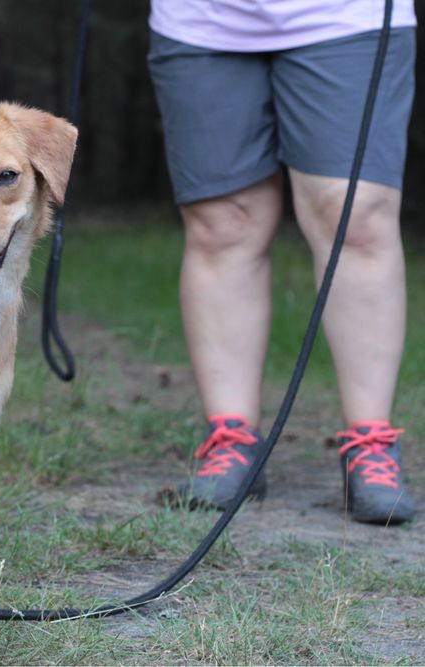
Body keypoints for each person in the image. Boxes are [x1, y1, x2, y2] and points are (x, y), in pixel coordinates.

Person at [147, 0, 417, 524]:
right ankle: (231, 439)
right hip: (200, 21)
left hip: (348, 18)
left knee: (356, 217)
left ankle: (370, 443)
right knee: (222, 223)